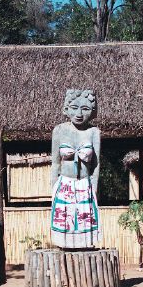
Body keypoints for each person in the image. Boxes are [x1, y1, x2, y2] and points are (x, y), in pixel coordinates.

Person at [50, 89, 101, 249]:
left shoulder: (94, 132)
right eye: (74, 108)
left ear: (92, 112)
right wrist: (53, 189)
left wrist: (94, 189)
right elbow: (55, 163)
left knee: (84, 223)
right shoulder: (59, 130)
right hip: (64, 185)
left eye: (85, 109)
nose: (79, 114)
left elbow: (95, 166)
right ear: (66, 109)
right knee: (64, 222)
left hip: (85, 186)